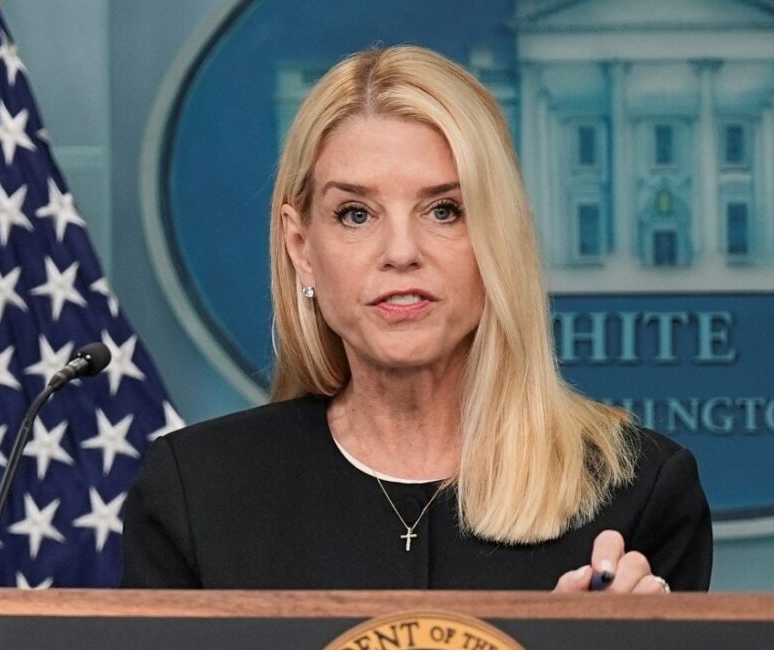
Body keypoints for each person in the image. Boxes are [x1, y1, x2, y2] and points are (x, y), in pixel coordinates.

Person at [121, 45, 712, 593]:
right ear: (302, 248)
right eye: (356, 214)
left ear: (497, 240)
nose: (400, 251)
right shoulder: (197, 492)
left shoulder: (638, 493)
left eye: (444, 210)